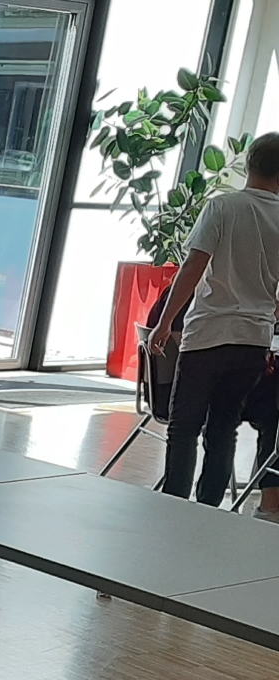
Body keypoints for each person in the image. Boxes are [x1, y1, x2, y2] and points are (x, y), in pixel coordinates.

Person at [150, 131, 279, 505]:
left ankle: (172, 504)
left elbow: (193, 266)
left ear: (248, 164)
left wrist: (164, 323)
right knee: (224, 428)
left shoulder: (223, 207)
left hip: (208, 333)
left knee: (184, 427)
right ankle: (209, 509)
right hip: (253, 340)